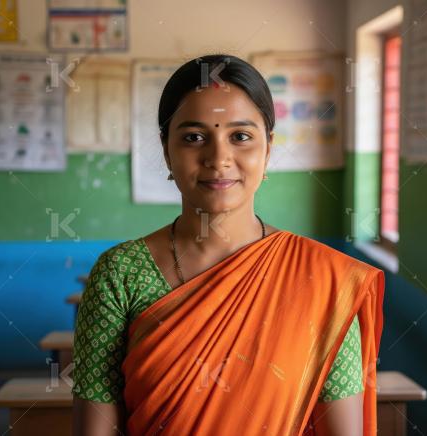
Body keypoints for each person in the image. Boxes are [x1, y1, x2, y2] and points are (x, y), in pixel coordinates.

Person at [72, 54, 385, 435]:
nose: (219, 159)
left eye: (240, 136)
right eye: (193, 137)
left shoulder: (324, 282)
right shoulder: (120, 274)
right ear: (167, 149)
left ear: (268, 148)